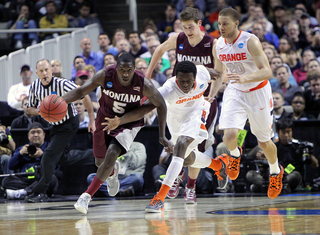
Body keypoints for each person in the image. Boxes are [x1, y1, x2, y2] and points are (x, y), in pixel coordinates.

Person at [61, 52, 171, 214]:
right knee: (100, 162)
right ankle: (112, 173)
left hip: (129, 122)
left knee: (112, 153)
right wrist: (59, 101)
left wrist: (162, 135)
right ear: (116, 68)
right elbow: (80, 92)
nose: (125, 74)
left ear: (134, 69)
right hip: (105, 118)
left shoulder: (143, 83)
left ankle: (86, 197)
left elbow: (161, 105)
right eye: (122, 70)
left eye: (129, 70)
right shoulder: (104, 75)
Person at [144, 7, 221, 203]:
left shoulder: (212, 43)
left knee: (193, 146)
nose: (188, 31)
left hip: (201, 101)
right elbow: (159, 50)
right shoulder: (178, 39)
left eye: (191, 27)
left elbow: (220, 71)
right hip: (176, 100)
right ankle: (211, 167)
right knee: (184, 152)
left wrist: (210, 96)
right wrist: (148, 75)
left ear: (199, 24)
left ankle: (190, 186)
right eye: (184, 27)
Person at [214, 7, 283, 199]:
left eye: (225, 23)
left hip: (258, 91)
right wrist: (209, 94)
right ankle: (235, 155)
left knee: (264, 142)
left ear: (236, 23)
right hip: (235, 91)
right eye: (219, 24)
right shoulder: (218, 44)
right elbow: (218, 74)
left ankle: (276, 172)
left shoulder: (250, 41)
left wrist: (246, 78)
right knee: (228, 136)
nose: (221, 27)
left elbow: (267, 71)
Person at [25, 59, 95, 203]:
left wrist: (92, 120)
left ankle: (39, 192)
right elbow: (29, 108)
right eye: (41, 71)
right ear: (37, 73)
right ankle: (97, 155)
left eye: (47, 70)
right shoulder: (35, 87)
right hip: (54, 125)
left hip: (69, 122)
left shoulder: (62, 84)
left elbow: (85, 95)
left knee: (48, 156)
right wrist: (41, 110)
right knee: (63, 158)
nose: (44, 73)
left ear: (51, 70)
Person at [3, 122, 58, 200]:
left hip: (41, 178)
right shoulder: (23, 149)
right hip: (25, 180)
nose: (35, 135)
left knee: (52, 178)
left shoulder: (50, 148)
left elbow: (57, 166)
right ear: (28, 136)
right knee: (6, 181)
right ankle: (32, 192)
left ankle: (24, 192)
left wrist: (43, 156)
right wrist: (20, 154)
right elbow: (11, 166)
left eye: (38, 132)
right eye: (32, 132)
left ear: (44, 135)